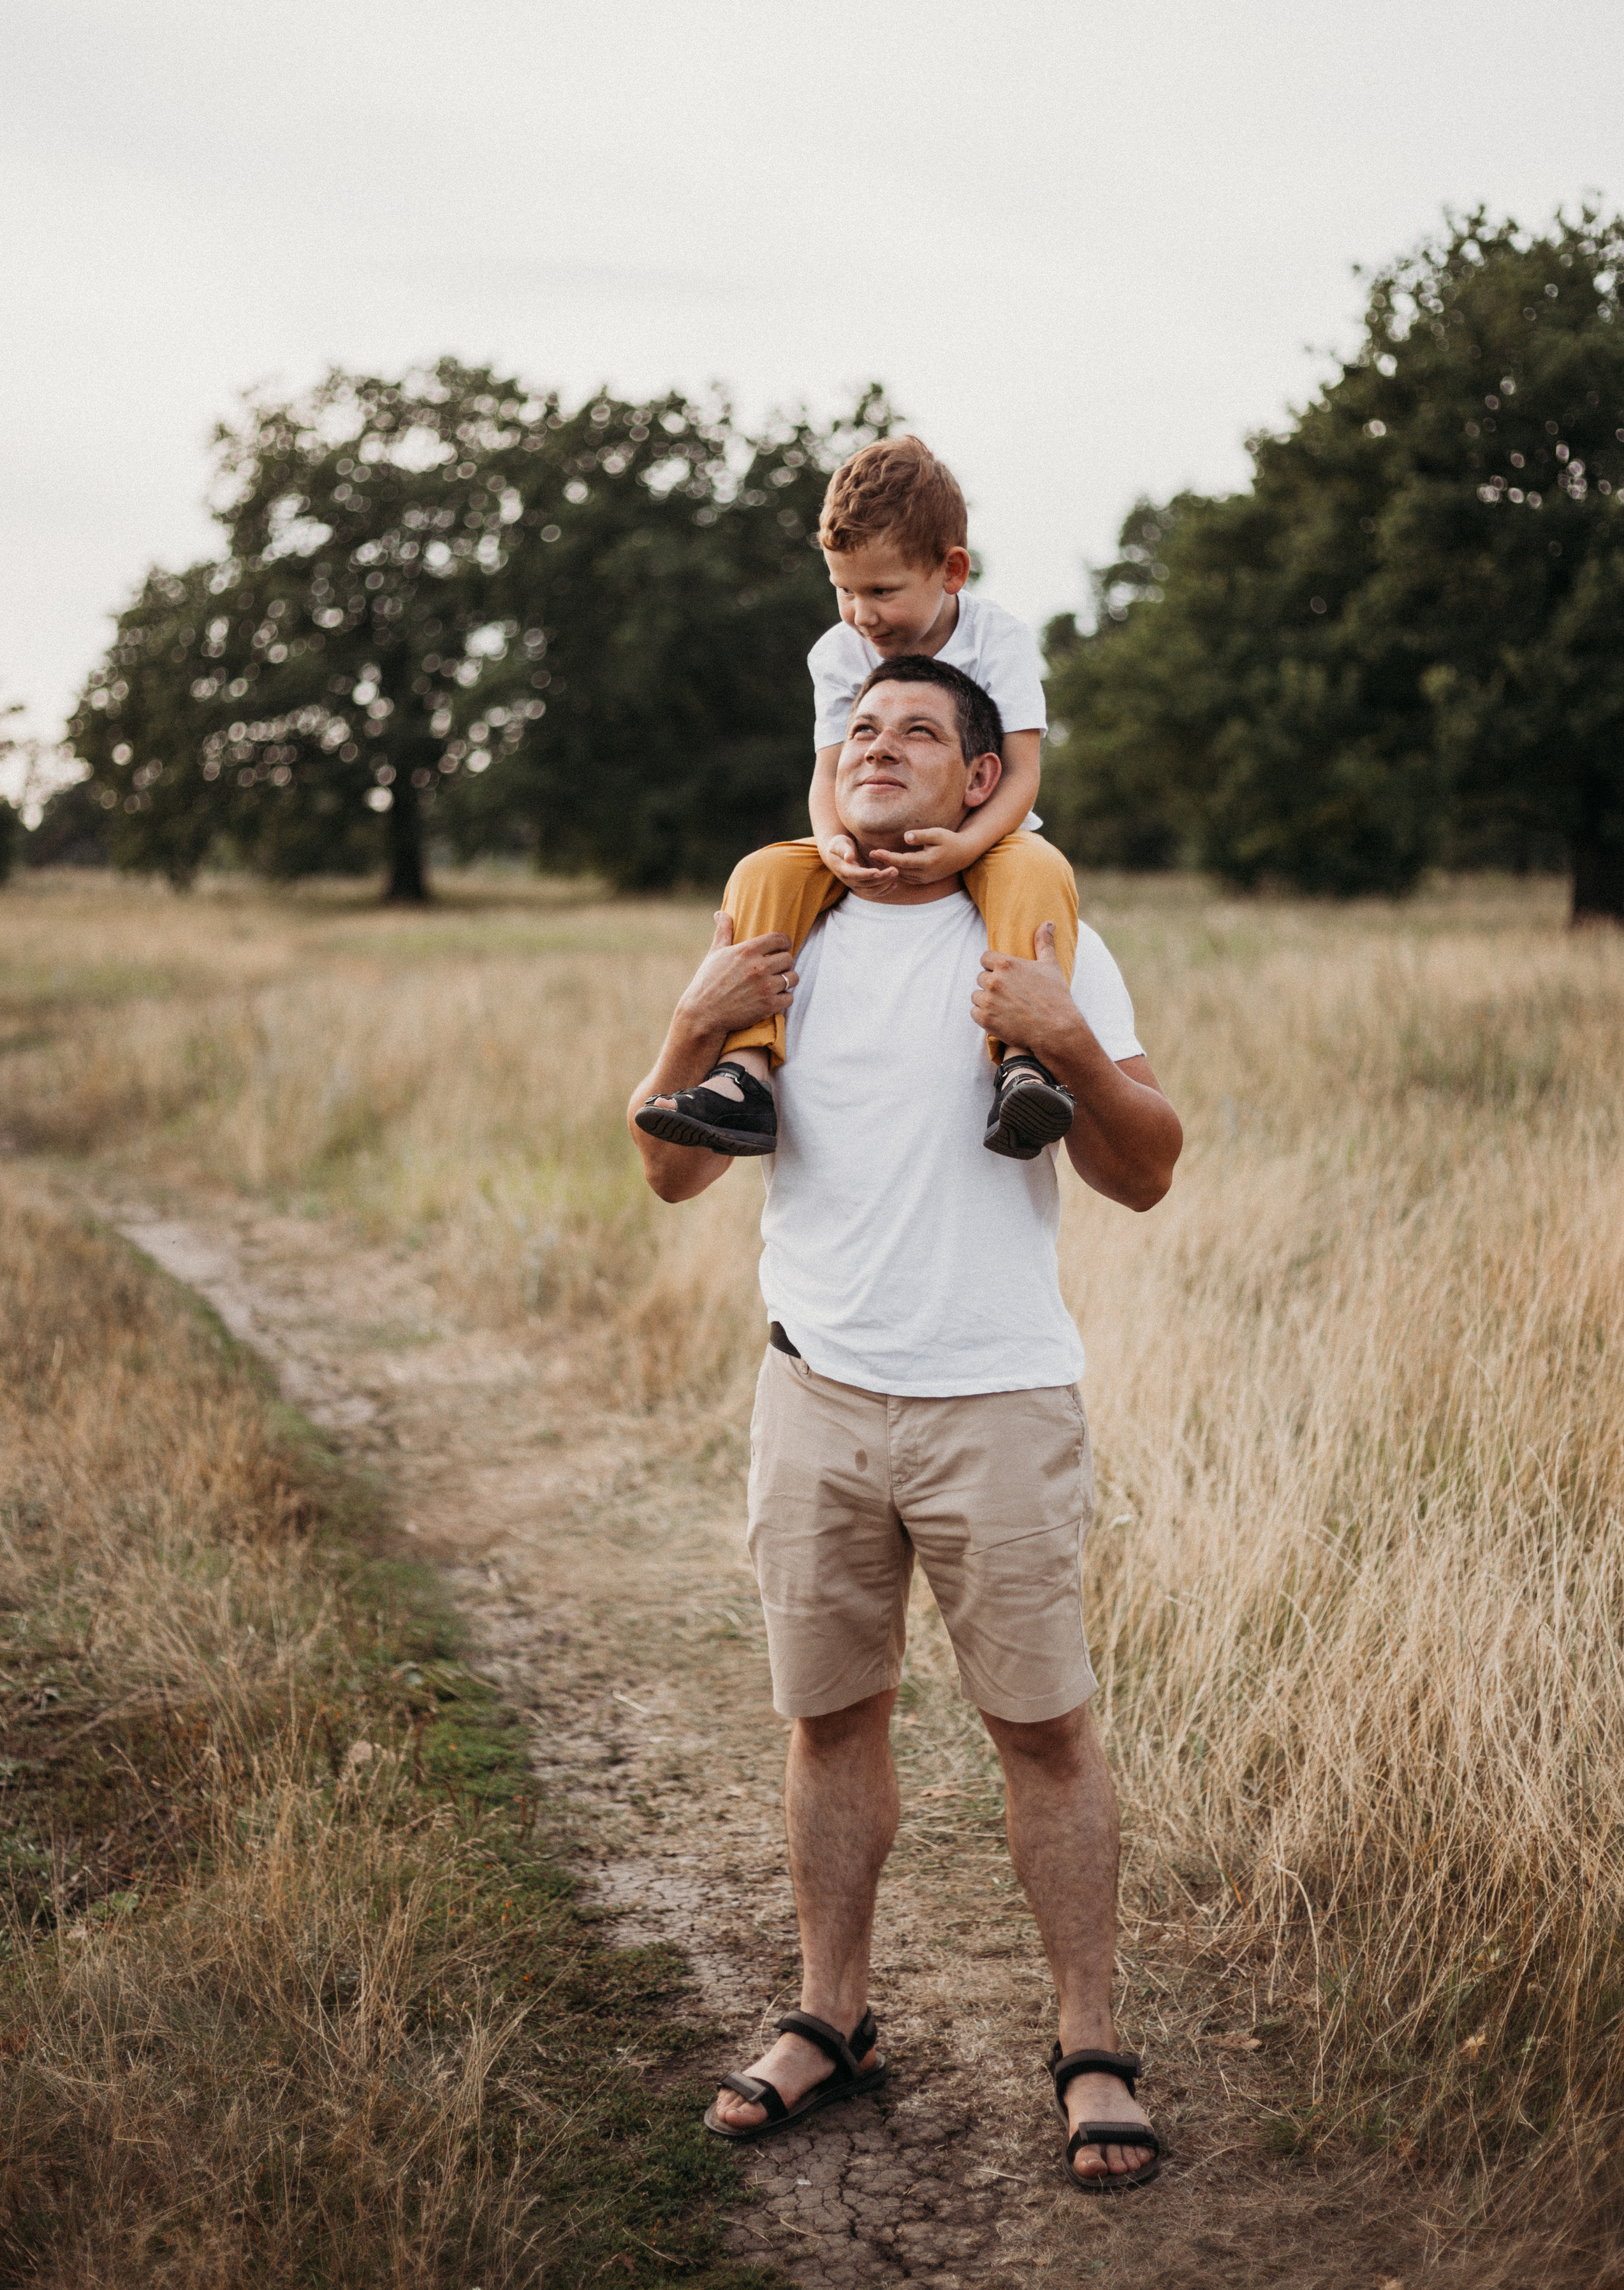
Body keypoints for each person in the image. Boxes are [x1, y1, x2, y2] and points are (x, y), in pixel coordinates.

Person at [627, 658, 1183, 2192]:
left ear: (981, 775)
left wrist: (1064, 1040)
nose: (878, 747)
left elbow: (1143, 1169)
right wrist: (691, 1021)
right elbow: (673, 1172)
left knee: (1042, 1729)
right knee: (828, 1719)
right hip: (810, 1392)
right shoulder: (773, 922)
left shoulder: (1040, 923)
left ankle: (1087, 2041)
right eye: (860, 728)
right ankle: (832, 2014)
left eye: (918, 731)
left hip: (995, 1398)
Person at [633, 435, 1082, 1166]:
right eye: (843, 590)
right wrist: (832, 845)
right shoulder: (836, 654)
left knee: (1036, 866)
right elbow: (828, 773)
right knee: (765, 872)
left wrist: (968, 846)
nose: (860, 614)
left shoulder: (998, 638)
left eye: (881, 591)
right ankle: (744, 1073)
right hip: (866, 838)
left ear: (952, 571)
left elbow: (1024, 773)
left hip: (987, 835)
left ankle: (1021, 1063)